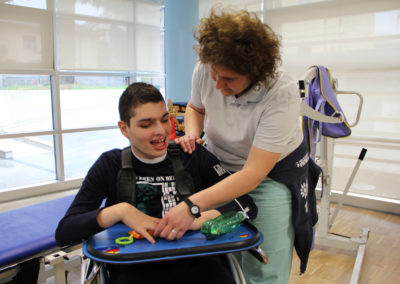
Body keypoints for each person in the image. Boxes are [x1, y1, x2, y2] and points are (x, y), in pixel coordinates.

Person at [154, 8, 321, 284]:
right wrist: (194, 135)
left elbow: (253, 174)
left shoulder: (280, 91)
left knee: (263, 262)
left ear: (255, 72)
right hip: (220, 166)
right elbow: (196, 108)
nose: (217, 84)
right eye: (214, 74)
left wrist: (192, 205)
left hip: (270, 175)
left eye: (229, 79)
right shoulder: (208, 68)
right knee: (221, 252)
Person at [55, 82, 257, 284]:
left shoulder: (193, 156)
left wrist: (197, 217)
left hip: (198, 261)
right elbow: (65, 232)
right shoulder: (110, 164)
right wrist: (122, 211)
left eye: (164, 120)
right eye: (146, 124)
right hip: (135, 267)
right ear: (124, 129)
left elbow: (246, 204)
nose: (160, 131)